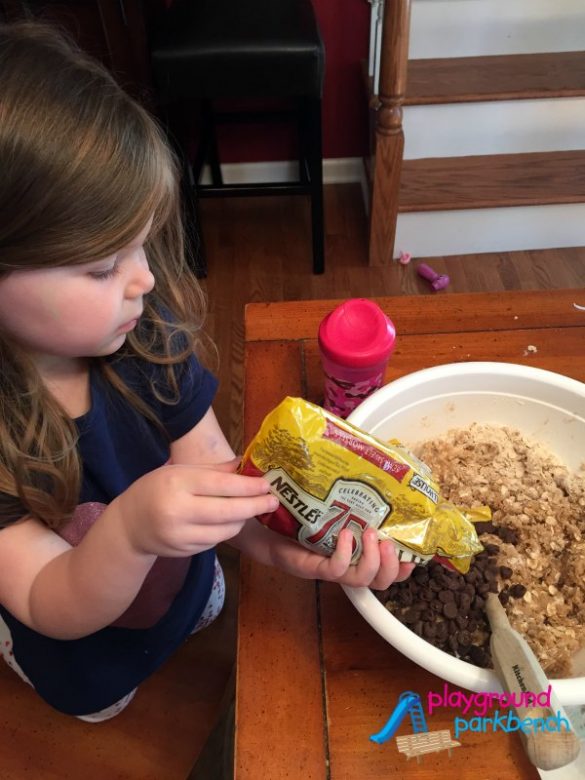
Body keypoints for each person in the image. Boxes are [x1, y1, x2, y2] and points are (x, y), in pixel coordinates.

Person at [0, 21, 412, 723]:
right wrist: (127, 534)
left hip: (181, 584)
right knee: (101, 693)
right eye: (103, 266)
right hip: (81, 646)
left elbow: (224, 479)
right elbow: (49, 598)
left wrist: (287, 548)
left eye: (143, 244)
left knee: (198, 599)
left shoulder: (143, 333)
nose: (145, 279)